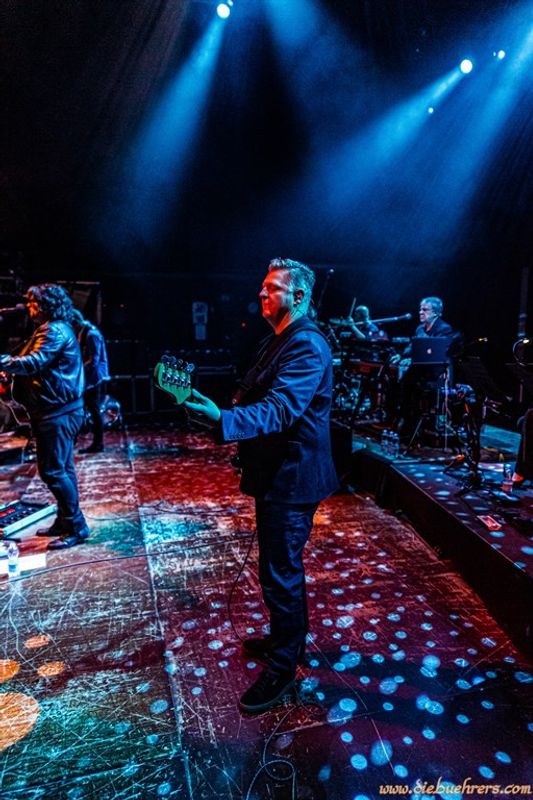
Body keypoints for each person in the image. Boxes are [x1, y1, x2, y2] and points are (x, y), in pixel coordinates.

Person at [184, 258, 339, 714]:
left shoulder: (306, 345)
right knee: (277, 570)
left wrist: (225, 420)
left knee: (281, 574)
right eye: (263, 288)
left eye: (272, 288)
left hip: (293, 480)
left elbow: (282, 409)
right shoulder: (281, 341)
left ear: (299, 297)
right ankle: (282, 641)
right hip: (278, 475)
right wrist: (221, 413)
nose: (262, 294)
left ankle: (283, 667)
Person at [0, 284, 90, 549]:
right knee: (63, 469)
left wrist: (5, 362)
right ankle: (65, 520)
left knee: (52, 471)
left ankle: (77, 525)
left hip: (58, 412)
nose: (29, 308)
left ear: (46, 305)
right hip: (59, 410)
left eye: (33, 303)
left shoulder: (54, 330)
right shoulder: (56, 328)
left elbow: (34, 362)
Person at [71, 309, 110, 454]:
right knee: (88, 409)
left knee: (93, 410)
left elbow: (94, 361)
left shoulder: (91, 334)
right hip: (89, 377)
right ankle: (93, 442)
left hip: (93, 378)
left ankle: (98, 443)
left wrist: (78, 371)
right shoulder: (84, 333)